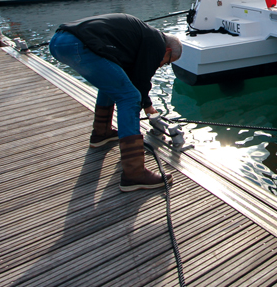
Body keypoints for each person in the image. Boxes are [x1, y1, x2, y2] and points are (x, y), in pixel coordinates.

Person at [48, 13, 182, 190]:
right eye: (166, 63)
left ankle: (101, 134)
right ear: (168, 51)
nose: (161, 65)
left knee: (113, 84)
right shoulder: (156, 42)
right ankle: (134, 173)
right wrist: (149, 107)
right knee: (129, 97)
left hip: (59, 42)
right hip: (79, 44)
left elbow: (131, 77)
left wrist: (147, 104)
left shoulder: (141, 36)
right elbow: (141, 80)